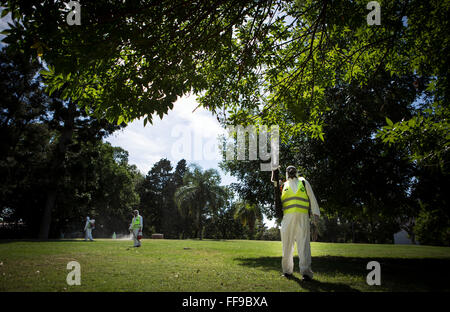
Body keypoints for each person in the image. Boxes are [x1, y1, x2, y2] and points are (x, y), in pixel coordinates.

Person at [275, 165, 320, 281]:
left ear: (296, 171)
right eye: (289, 169)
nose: (291, 171)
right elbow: (276, 197)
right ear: (286, 173)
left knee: (304, 244)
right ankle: (287, 271)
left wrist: (315, 216)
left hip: (303, 217)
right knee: (286, 245)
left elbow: (312, 198)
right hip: (287, 218)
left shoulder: (304, 182)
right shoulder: (283, 185)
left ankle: (306, 273)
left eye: (293, 169)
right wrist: (274, 174)